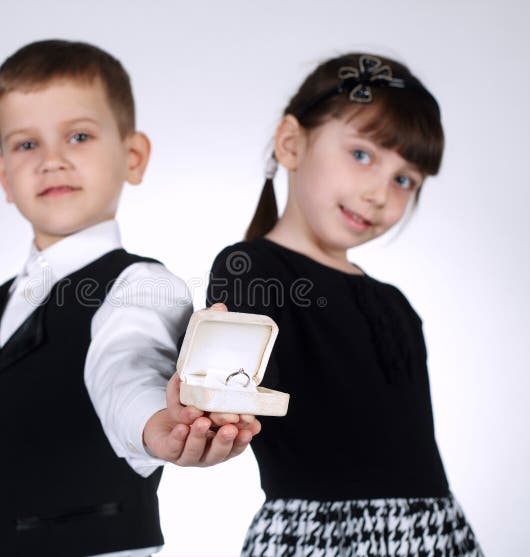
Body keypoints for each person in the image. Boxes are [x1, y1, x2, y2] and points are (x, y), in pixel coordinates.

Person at [0, 39, 259, 557]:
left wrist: (157, 425)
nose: (52, 161)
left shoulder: (140, 287)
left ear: (133, 157)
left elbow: (126, 371)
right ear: (3, 175)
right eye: (26, 145)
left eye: (79, 136)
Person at [206, 53, 483, 556]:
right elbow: (222, 394)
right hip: (321, 537)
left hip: (432, 532)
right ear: (291, 143)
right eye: (362, 155)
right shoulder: (252, 270)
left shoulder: (394, 305)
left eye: (405, 180)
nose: (380, 192)